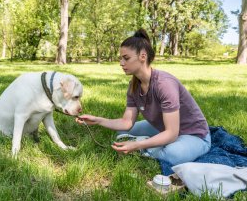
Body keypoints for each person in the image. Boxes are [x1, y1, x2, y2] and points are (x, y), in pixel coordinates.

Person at [76, 28, 211, 165]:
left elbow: (172, 133)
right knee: (121, 132)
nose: (121, 63)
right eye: (121, 58)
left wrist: (138, 145)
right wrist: (98, 120)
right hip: (162, 126)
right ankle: (152, 144)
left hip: (193, 134)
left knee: (173, 154)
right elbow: (126, 123)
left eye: (126, 58)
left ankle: (146, 147)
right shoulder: (134, 85)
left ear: (143, 56)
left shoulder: (164, 84)